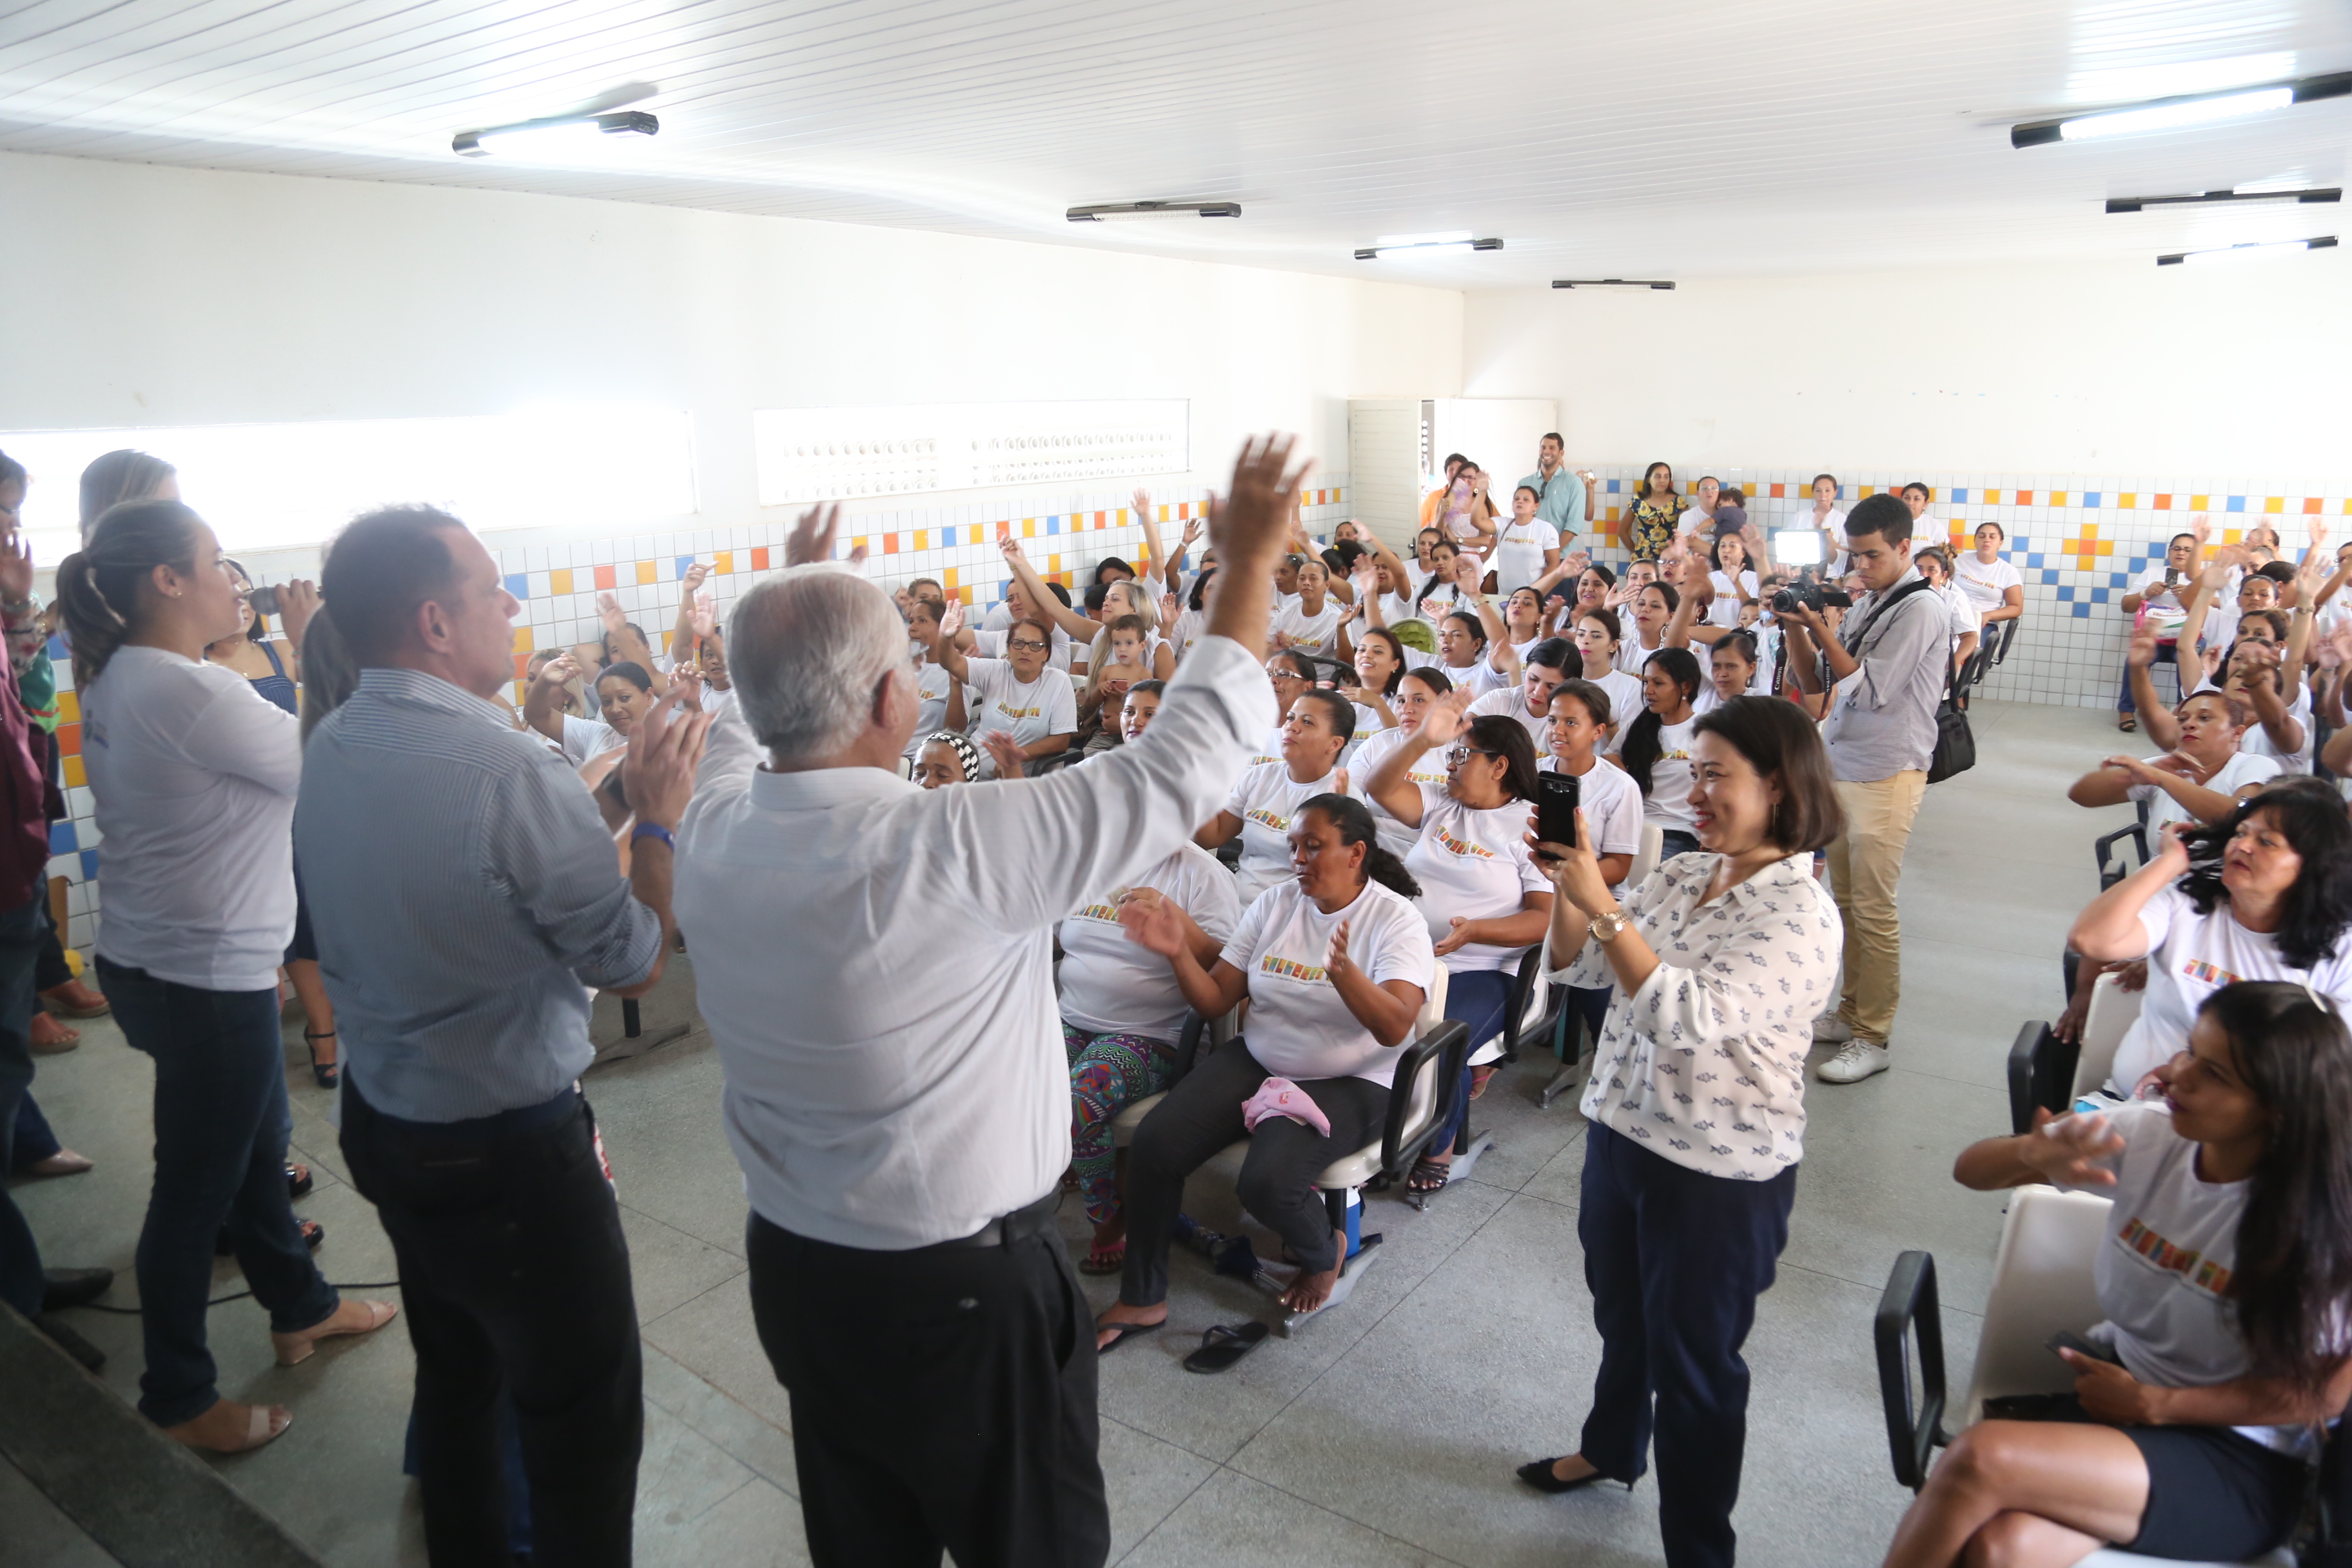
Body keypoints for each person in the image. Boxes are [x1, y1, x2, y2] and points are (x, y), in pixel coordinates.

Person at [668, 439, 1298, 1568]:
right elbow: (1185, 763)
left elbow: (735, 724)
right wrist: (1248, 560)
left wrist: (794, 584)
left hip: (800, 1269)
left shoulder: (711, 832)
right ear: (889, 699)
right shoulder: (951, 842)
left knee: (866, 1535)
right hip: (956, 1293)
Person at [299, 505, 701, 1565]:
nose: (512, 605)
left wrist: (610, 803)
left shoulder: (333, 741)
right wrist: (656, 815)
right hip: (510, 1161)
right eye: (491, 589)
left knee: (461, 1383)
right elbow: (633, 959)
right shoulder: (509, 768)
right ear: (435, 622)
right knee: (580, 1425)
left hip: (388, 1124)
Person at [61, 500, 396, 1454]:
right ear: (167, 580)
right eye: (216, 561)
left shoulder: (122, 672)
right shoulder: (194, 693)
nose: (234, 580)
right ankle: (178, 1395)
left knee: (251, 1153)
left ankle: (301, 1307)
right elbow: (337, 760)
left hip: (159, 960)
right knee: (194, 1189)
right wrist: (312, 648)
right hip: (204, 979)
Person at [1520, 695, 1843, 1568]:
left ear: (1780, 787)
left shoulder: (1801, 916)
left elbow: (1680, 1015)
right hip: (1622, 1131)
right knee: (1622, 1315)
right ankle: (1613, 1447)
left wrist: (1604, 906)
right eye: (1692, 773)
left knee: (1696, 1369)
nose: (1695, 794)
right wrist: (1572, 887)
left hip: (1717, 1174)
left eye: (1716, 777)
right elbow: (1582, 964)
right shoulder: (1682, 872)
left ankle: (1701, 1551)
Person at [1881, 981, 2352, 1568]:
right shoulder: (2153, 1134)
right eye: (2190, 1052)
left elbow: (2324, 1393)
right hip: (2120, 1400)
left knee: (1981, 1458)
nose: (2177, 1076)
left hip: (2239, 1457)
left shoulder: (2324, 1221)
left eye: (2214, 1074)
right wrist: (2029, 1154)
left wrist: (2158, 1405)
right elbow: (1969, 1171)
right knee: (2003, 1549)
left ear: (2279, 1108)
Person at [1103, 792, 1435, 1344]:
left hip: (1352, 1077)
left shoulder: (1396, 919)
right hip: (1262, 1056)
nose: (1298, 859)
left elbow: (1395, 1028)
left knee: (1267, 1184)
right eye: (1293, 846)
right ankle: (1142, 1298)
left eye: (1314, 846)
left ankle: (1323, 1250)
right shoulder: (1275, 904)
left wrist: (1346, 976)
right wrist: (1178, 952)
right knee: (1155, 1144)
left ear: (1356, 853)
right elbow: (1216, 1000)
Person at [1057, 720, 1244, 1274]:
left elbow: (1227, 972)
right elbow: (1048, 938)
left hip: (1150, 1036)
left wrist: (1178, 926)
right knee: (1007, 1080)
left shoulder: (1202, 875)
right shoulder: (1086, 864)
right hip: (1071, 1016)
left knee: (1076, 1100)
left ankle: (1109, 1218)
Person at [1778, 493, 1952, 1085]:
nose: (1861, 566)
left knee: (1874, 910)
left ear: (1905, 547)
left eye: (1873, 555)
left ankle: (1874, 1036)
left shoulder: (1922, 608)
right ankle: (1851, 1012)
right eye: (1854, 556)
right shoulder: (1871, 600)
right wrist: (1799, 629)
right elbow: (1816, 682)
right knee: (1848, 904)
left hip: (1888, 770)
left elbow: (1871, 690)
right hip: (1844, 763)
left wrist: (1822, 627)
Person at [1362, 693, 1551, 1195]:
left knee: (1439, 1042)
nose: (1450, 765)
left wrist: (1477, 931)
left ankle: (1438, 1145)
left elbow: (1542, 920)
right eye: (1450, 754)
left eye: (1461, 756)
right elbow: (1378, 785)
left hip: (1488, 969)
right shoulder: (1443, 803)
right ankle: (1386, 1134)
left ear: (1499, 766)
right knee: (1372, 1031)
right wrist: (1424, 737)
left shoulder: (1532, 825)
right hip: (1412, 959)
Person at [2065, 787, 2352, 1099]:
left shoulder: (2341, 949)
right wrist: (2169, 863)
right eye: (2240, 833)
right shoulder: (2188, 901)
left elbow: (2329, 1067)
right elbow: (2090, 939)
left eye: (2266, 841)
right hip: (2126, 1102)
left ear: (2313, 866)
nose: (2242, 845)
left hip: (2253, 1121)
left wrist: (2190, 1079)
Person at [2072, 627, 2277, 833]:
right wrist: (2133, 777)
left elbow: (2240, 819)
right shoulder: (2166, 766)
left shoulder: (2253, 766)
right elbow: (2081, 795)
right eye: (2182, 719)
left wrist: (2163, 779)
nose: (2188, 724)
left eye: (2205, 718)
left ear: (2237, 733)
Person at [1538, 680, 1643, 1059]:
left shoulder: (1619, 787)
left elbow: (1619, 866)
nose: (1558, 731)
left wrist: (1571, 877)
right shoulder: (1533, 772)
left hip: (1594, 893)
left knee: (1593, 953)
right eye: (1553, 720)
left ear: (1598, 731)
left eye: (1571, 722)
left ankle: (1609, 1050)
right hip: (1534, 883)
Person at [1199, 688, 1353, 905]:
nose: (1291, 726)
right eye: (1290, 718)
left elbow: (1336, 882)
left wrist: (1337, 820)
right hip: (1237, 900)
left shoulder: (1343, 797)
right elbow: (1211, 837)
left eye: (1307, 722)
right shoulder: (1260, 775)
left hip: (1295, 909)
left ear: (1335, 743)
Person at [930, 605, 1078, 776]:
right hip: (969, 770)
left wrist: (1013, 758)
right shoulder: (994, 670)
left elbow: (1061, 741)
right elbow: (951, 663)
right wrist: (945, 637)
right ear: (1008, 649)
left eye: (1035, 645)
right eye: (1018, 643)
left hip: (1016, 780)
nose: (1025, 650)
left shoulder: (1058, 682)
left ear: (1046, 654)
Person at [1614, 648, 1705, 857]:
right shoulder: (1637, 727)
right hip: (1631, 828)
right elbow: (1610, 758)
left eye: (1658, 683)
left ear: (1686, 686)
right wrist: (1630, 784)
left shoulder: (1705, 731)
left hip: (1677, 832)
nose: (1648, 690)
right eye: (1646, 682)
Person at [2118, 531, 2200, 731]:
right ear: (2170, 552)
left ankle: (2185, 714)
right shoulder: (2152, 573)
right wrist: (2146, 592)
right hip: (2155, 637)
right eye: (2177, 548)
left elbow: (2216, 608)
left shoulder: (2201, 578)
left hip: (2186, 639)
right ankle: (2126, 711)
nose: (2181, 553)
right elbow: (2126, 606)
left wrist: (2190, 595)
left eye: (2188, 550)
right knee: (2135, 659)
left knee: (2191, 660)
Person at [1468, 635, 1574, 749]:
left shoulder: (1573, 723)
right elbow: (1468, 725)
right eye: (1533, 679)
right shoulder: (1500, 700)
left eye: (1550, 687)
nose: (1537, 693)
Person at [1567, 607, 1645, 732]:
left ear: (1613, 645)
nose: (1585, 641)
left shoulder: (1630, 687)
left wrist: (1601, 712)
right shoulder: (1565, 679)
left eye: (1596, 636)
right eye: (1581, 634)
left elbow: (1628, 741)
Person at [1518, 432, 1592, 547]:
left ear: (1561, 453)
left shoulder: (1574, 483)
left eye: (1552, 448)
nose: (1546, 451)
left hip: (1563, 554)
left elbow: (1574, 525)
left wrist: (1552, 552)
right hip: (1531, 552)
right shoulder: (1525, 483)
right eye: (1543, 448)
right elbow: (1520, 520)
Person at [1952, 521, 2024, 633]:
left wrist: (1988, 616)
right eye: (1982, 536)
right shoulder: (1957, 561)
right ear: (1975, 541)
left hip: (1984, 624)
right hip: (1952, 617)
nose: (1986, 540)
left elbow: (2016, 607)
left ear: (2000, 543)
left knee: (1969, 642)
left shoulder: (2009, 572)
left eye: (1992, 537)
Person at [1493, 483, 1562, 598]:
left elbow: (1554, 564)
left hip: (1533, 597)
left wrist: (1535, 591)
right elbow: (1477, 522)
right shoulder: (1504, 524)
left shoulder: (1545, 529)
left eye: (1526, 500)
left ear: (1536, 506)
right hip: (1504, 597)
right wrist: (1482, 491)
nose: (1520, 502)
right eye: (1517, 499)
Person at [1621, 462, 1678, 564]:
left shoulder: (1678, 503)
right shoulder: (1638, 502)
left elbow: (1684, 533)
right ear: (1648, 479)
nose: (1662, 480)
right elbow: (1622, 531)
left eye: (1666, 477)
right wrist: (1636, 551)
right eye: (1658, 476)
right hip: (1642, 560)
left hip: (1668, 561)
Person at [1793, 473, 1848, 577]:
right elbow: (1789, 547)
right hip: (1800, 573)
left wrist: (1828, 538)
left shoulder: (1842, 519)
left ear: (1835, 493)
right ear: (1813, 492)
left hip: (1832, 576)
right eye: (1818, 491)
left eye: (1827, 491)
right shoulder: (1800, 517)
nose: (1823, 496)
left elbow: (1846, 555)